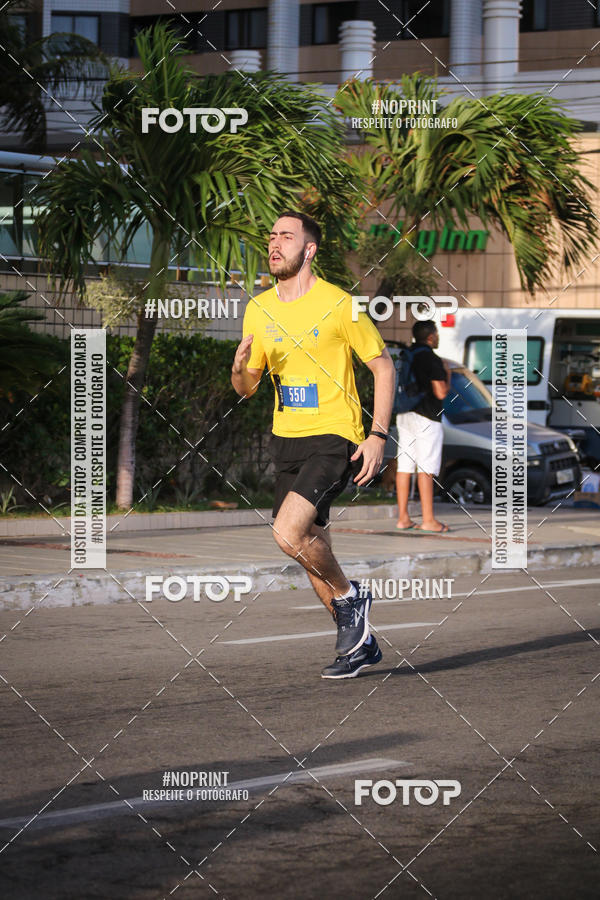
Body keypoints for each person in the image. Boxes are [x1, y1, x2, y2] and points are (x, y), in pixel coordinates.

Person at [231, 211, 395, 679]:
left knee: (287, 534)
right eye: (272, 236)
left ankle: (350, 596)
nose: (274, 243)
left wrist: (377, 435)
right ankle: (359, 646)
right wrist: (239, 367)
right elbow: (246, 388)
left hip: (333, 435)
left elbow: (383, 367)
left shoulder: (340, 303)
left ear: (310, 249)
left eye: (286, 235)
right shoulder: (259, 308)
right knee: (308, 546)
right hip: (286, 440)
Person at [395, 320, 451, 533]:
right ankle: (428, 520)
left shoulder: (408, 354)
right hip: (427, 417)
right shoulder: (431, 358)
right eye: (436, 334)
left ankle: (403, 518)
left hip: (405, 414)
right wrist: (447, 373)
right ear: (431, 336)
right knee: (426, 467)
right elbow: (441, 392)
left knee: (405, 465)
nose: (437, 337)